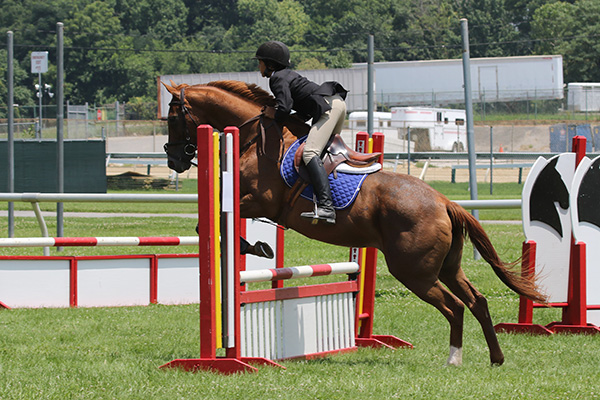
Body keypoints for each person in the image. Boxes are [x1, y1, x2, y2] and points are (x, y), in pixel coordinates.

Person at [255, 40, 347, 224]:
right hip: (336, 104)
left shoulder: (277, 78)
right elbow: (301, 112)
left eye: (260, 62)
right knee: (324, 155)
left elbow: (284, 108)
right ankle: (338, 198)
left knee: (310, 153)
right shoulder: (287, 75)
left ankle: (327, 207)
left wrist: (272, 113)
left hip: (329, 108)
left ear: (269, 64)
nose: (259, 66)